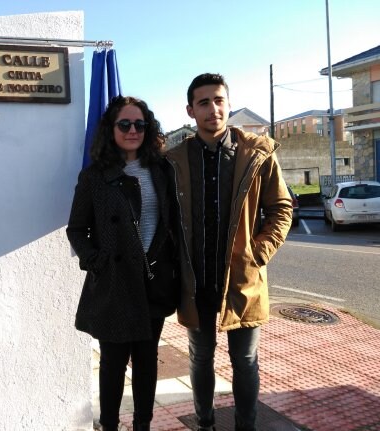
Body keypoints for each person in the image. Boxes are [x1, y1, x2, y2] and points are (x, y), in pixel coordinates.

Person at [166, 73, 293, 431]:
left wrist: (259, 253)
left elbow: (281, 208)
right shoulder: (173, 159)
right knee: (201, 358)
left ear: (229, 105)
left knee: (246, 360)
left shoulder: (257, 153)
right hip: (196, 280)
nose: (213, 108)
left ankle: (245, 427)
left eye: (219, 100)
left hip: (242, 278)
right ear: (191, 110)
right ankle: (204, 424)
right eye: (204, 102)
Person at [67, 96, 179, 431]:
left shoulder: (162, 170)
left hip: (153, 281)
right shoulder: (95, 177)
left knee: (147, 362)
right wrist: (96, 261)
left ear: (149, 128)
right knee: (113, 364)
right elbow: (76, 229)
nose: (133, 130)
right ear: (111, 129)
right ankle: (111, 425)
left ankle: (143, 425)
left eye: (140, 124)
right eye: (125, 124)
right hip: (115, 282)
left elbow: (171, 222)